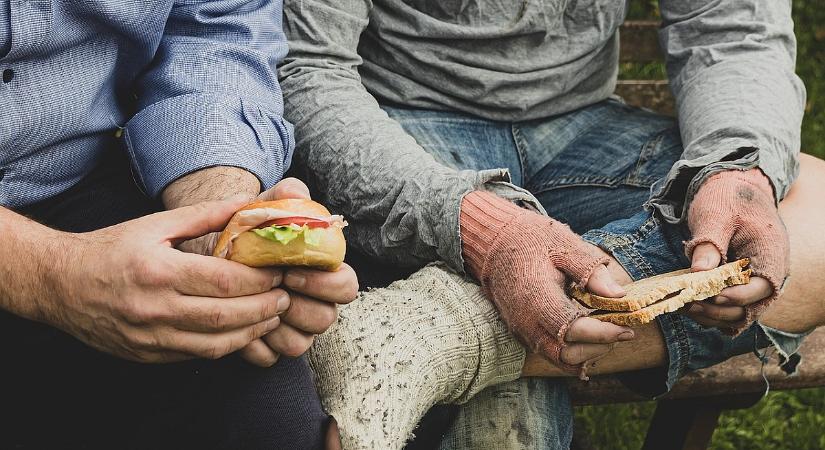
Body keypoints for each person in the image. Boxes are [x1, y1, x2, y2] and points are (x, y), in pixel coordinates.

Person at [278, 0, 825, 447]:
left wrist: (735, 177)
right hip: (398, 120)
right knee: (509, 345)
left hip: (585, 128)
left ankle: (433, 333)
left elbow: (732, 30)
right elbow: (307, 65)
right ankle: (484, 319)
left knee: (813, 214)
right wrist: (485, 230)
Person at [0, 1, 356, 448]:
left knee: (272, 421)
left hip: (77, 180)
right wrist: (47, 275)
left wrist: (219, 223)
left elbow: (216, 30)